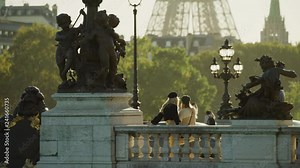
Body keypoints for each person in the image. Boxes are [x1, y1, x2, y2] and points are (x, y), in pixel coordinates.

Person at [55, 13, 81, 87]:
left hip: (69, 49)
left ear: (69, 22)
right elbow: (57, 37)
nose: (64, 25)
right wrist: (67, 36)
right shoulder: (59, 33)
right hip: (61, 50)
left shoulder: (73, 31)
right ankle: (64, 80)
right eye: (62, 24)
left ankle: (65, 72)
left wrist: (84, 15)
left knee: (70, 56)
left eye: (66, 23)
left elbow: (82, 28)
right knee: (60, 65)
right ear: (60, 25)